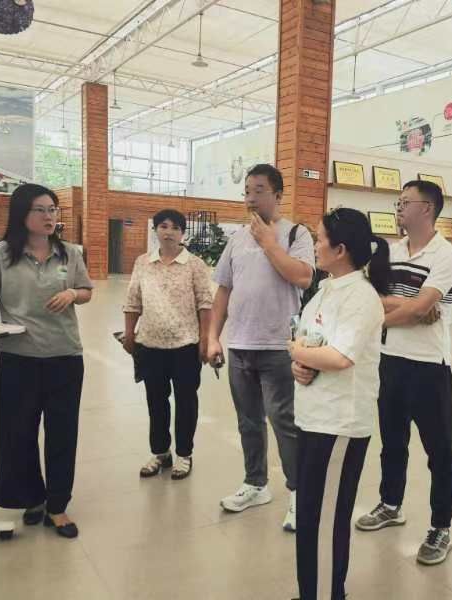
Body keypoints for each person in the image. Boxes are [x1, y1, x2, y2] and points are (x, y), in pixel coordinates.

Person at [0, 183, 93, 539]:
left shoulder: (69, 253)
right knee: (18, 433)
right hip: (18, 359)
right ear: (22, 213)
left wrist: (73, 293)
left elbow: (87, 291)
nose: (49, 216)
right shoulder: (1, 254)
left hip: (64, 356)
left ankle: (57, 506)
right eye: (41, 209)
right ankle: (32, 498)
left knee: (62, 433)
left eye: (53, 209)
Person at [355, 180, 452, 566]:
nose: (398, 208)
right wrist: (408, 305)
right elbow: (371, 298)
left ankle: (441, 527)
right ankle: (390, 504)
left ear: (427, 208)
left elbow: (419, 309)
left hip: (429, 366)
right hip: (390, 360)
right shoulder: (391, 251)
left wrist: (383, 315)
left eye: (405, 202)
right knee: (392, 442)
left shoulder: (446, 255)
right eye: (397, 202)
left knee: (438, 452)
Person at [288, 207, 389, 600]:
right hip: (313, 417)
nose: (314, 246)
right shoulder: (325, 290)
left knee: (324, 521)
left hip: (338, 425)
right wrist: (299, 363)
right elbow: (310, 344)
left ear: (341, 249)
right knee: (310, 516)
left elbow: (340, 356)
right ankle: (314, 591)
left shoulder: (360, 297)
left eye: (319, 239)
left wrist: (296, 352)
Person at [207, 163, 315, 531]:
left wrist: (269, 242)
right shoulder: (237, 239)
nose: (250, 198)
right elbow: (223, 290)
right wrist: (213, 337)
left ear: (278, 195)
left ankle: (299, 493)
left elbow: (302, 276)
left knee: (284, 421)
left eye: (259, 191)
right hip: (240, 345)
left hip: (278, 346)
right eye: (247, 192)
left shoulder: (296, 233)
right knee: (248, 421)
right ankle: (255, 484)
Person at [123, 209, 212, 481]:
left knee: (186, 402)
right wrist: (129, 333)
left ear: (182, 233)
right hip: (150, 345)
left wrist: (206, 340)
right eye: (163, 226)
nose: (169, 232)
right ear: (156, 230)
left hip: (186, 346)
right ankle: (160, 452)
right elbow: (133, 300)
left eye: (175, 227)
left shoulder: (195, 264)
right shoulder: (143, 262)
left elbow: (205, 304)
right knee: (156, 401)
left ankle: (184, 454)